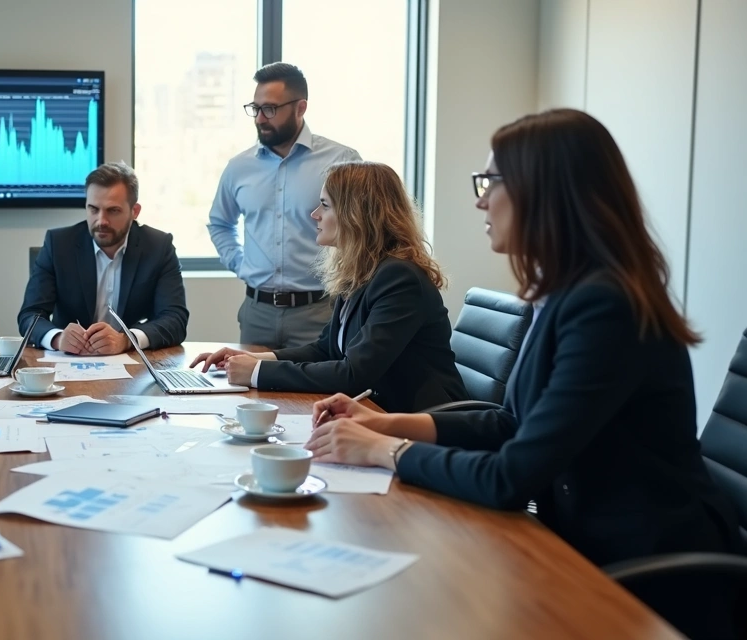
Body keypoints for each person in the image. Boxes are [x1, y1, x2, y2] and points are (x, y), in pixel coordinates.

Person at [303, 109, 742, 637]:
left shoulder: (607, 306)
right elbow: (512, 422)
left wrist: (383, 453)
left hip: (648, 572)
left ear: (545, 190)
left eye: (492, 182)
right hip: (578, 543)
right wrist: (386, 424)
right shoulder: (560, 294)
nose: (480, 199)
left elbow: (511, 478)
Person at [192, 162, 467, 413]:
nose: (314, 215)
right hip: (376, 409)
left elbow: (353, 374)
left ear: (355, 214)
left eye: (324, 205)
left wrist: (257, 372)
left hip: (421, 419)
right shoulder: (366, 270)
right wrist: (252, 358)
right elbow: (326, 349)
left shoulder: (399, 277)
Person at [208, 62, 362, 349]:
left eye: (270, 109)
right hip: (257, 312)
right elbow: (220, 223)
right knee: (249, 390)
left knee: (318, 391)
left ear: (300, 108)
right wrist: (240, 265)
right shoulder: (239, 167)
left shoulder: (341, 161)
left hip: (320, 311)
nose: (260, 118)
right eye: (255, 108)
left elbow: (360, 229)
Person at [18, 162, 188, 355]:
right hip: (68, 362)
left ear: (135, 211)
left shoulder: (158, 247)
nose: (101, 221)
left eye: (112, 211)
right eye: (93, 209)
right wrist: (57, 338)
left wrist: (126, 340)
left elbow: (175, 319)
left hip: (131, 366)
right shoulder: (59, 244)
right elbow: (30, 315)